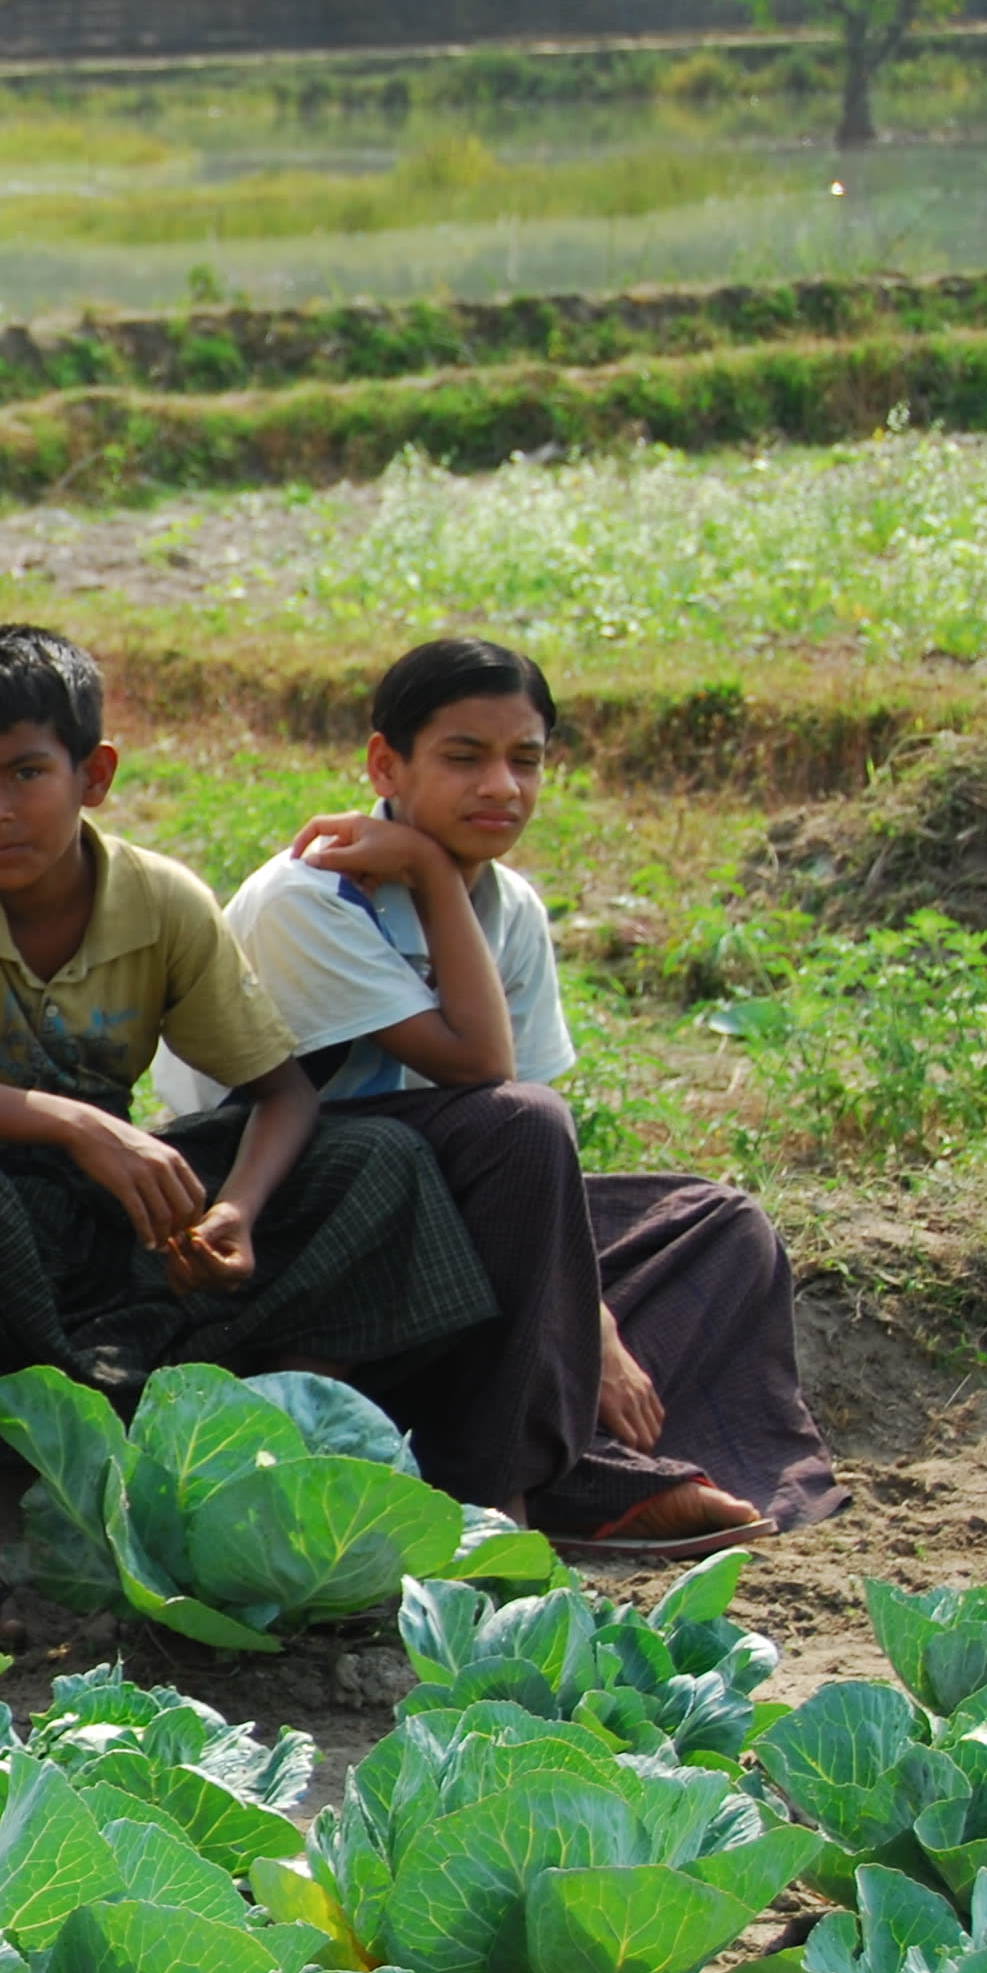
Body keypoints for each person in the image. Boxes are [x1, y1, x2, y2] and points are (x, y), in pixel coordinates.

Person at [0, 625, 499, 1654]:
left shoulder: (159, 897)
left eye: (25, 774)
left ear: (94, 776)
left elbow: (282, 1095)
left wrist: (236, 1214)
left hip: (103, 1225)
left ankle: (254, 1460)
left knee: (377, 1161)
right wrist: (82, 1123)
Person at [151, 638, 843, 1554]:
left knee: (720, 1227)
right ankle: (507, 1486)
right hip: (304, 1229)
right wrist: (435, 876)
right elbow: (485, 1074)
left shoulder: (509, 907)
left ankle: (555, 1459)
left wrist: (594, 1324)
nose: (502, 788)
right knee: (513, 1128)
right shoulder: (311, 896)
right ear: (385, 765)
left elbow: (537, 1167)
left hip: (455, 1221)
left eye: (526, 760)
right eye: (465, 757)